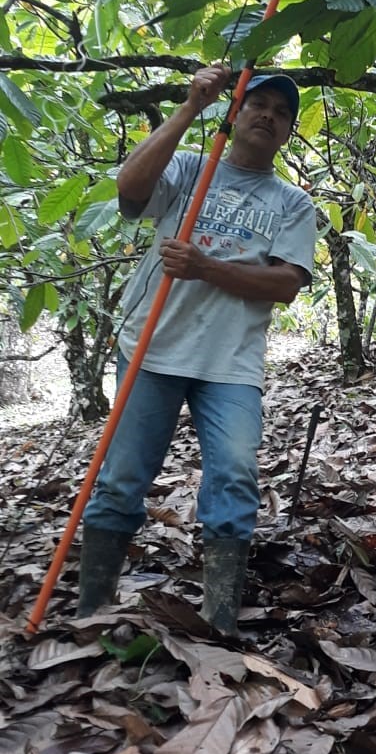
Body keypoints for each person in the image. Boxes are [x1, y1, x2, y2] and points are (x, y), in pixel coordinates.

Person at [76, 64, 317, 635]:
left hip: (230, 363)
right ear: (235, 113)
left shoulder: (292, 203)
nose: (268, 117)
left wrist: (206, 267)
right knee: (121, 479)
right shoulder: (189, 168)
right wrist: (190, 107)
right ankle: (91, 614)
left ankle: (218, 621)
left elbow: (286, 283)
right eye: (258, 105)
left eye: (282, 114)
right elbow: (130, 189)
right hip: (152, 346)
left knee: (234, 474)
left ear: (288, 133)